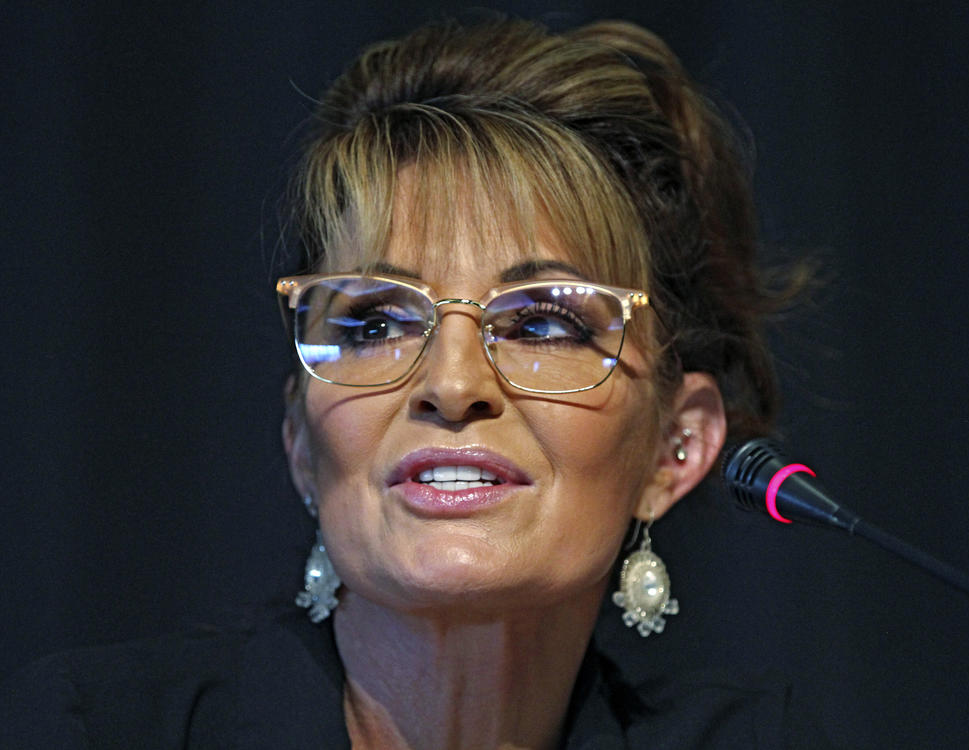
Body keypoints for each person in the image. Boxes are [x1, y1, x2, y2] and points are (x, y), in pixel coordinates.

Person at [1, 15, 826, 749]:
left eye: (542, 323)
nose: (452, 380)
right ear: (300, 441)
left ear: (675, 449)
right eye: (375, 323)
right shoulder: (92, 729)